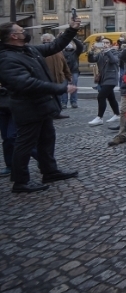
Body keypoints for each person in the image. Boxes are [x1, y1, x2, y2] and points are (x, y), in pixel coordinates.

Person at [0, 20, 80, 193]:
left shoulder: (28, 50)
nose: (25, 32)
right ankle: (20, 181)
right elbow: (26, 83)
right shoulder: (7, 59)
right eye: (22, 30)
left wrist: (71, 30)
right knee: (24, 144)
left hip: (42, 106)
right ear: (14, 36)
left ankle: (49, 171)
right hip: (28, 108)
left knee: (47, 139)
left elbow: (54, 46)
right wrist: (60, 88)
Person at [88, 38, 121, 126]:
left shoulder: (114, 52)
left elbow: (114, 60)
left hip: (111, 78)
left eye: (106, 42)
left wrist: (107, 50)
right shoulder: (100, 53)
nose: (104, 44)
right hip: (103, 78)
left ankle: (99, 117)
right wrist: (91, 51)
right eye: (102, 43)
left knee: (101, 96)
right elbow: (91, 60)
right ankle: (117, 114)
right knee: (111, 98)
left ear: (110, 44)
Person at [41, 34, 72, 120]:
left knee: (58, 96)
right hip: (47, 78)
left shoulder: (59, 51)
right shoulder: (41, 52)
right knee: (48, 97)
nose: (47, 42)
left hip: (58, 77)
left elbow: (64, 64)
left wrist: (68, 75)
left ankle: (57, 112)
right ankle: (49, 112)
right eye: (45, 40)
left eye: (49, 40)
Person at [61, 38, 84, 109]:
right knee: (64, 87)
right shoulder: (61, 52)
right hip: (64, 71)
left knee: (74, 87)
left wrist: (73, 38)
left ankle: (73, 102)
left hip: (74, 71)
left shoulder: (76, 52)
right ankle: (64, 102)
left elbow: (80, 46)